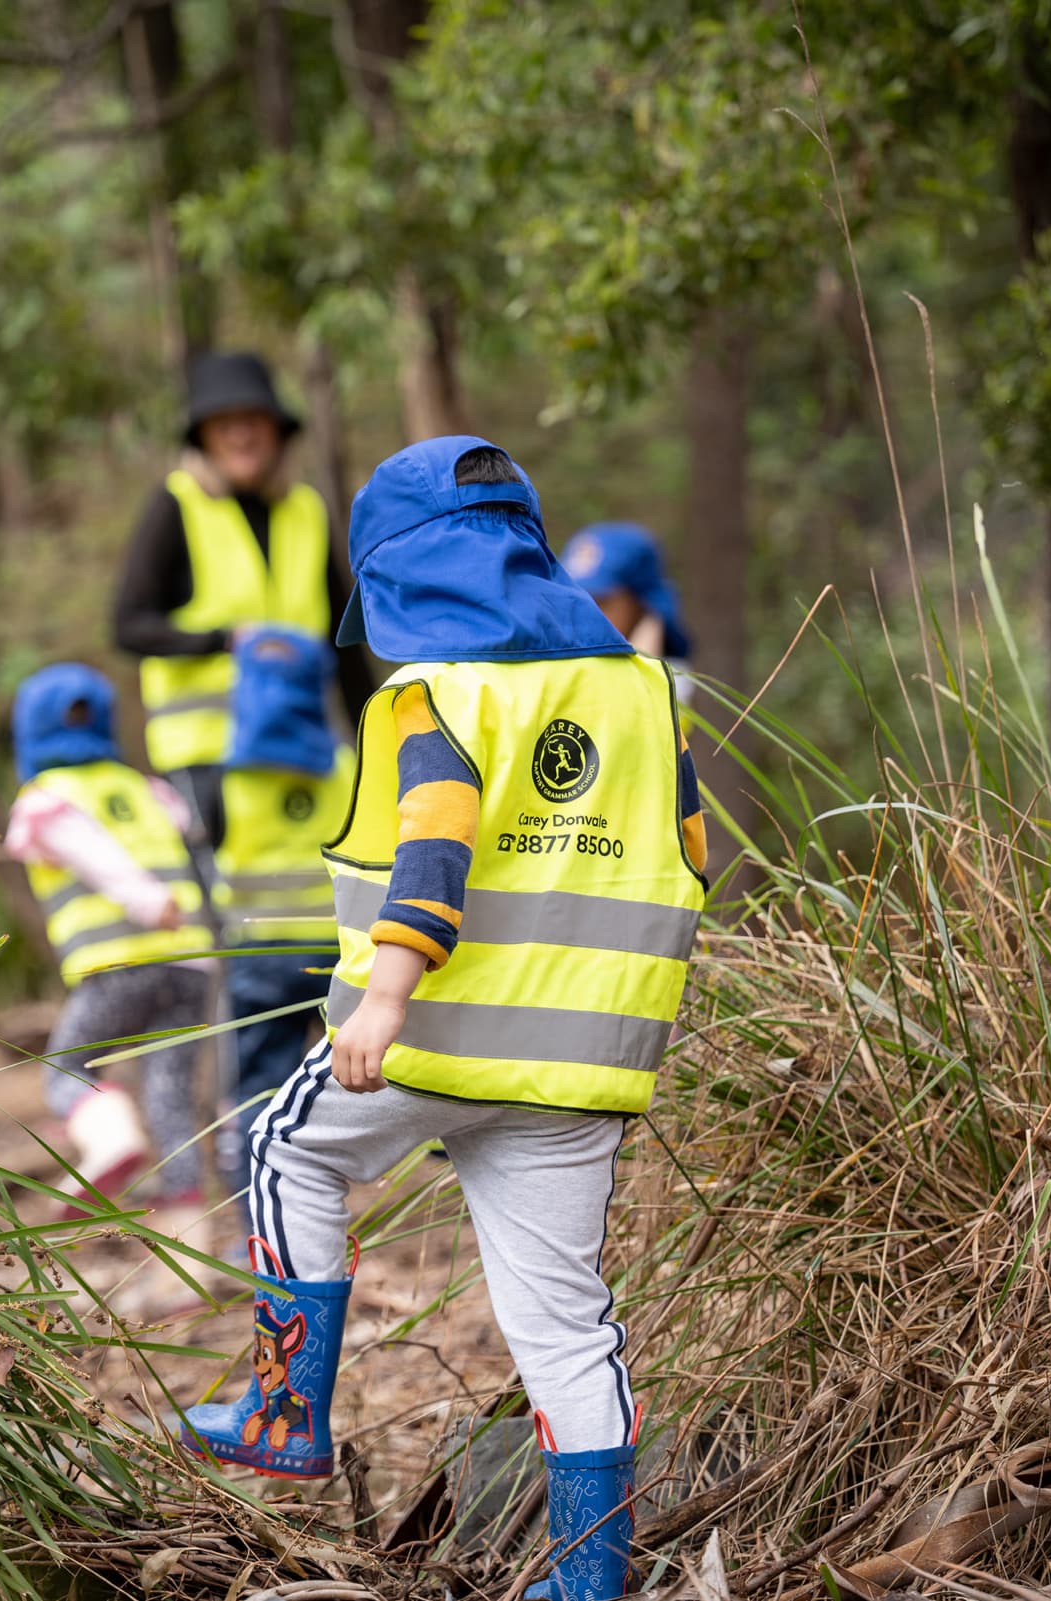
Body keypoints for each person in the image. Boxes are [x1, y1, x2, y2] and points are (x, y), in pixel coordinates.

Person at [180, 439, 709, 1601]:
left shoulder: (437, 692)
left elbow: (436, 844)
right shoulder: (641, 691)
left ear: (402, 578)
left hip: (428, 1039)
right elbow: (691, 855)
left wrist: (383, 996)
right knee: (567, 1326)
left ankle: (281, 1410)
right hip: (586, 1067)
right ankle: (586, 1583)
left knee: (284, 1150)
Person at [111, 351, 375, 845]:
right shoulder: (175, 505)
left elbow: (346, 645)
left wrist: (380, 746)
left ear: (277, 431)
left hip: (304, 752)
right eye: (224, 424)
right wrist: (223, 640)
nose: (242, 435)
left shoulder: (307, 511)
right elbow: (128, 626)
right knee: (225, 913)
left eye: (254, 420)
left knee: (307, 905)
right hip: (209, 762)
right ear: (203, 437)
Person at [5, 663, 216, 1211]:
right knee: (170, 1098)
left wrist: (147, 902)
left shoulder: (46, 798)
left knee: (65, 1068)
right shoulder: (147, 790)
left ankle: (112, 1141)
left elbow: (95, 855)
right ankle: (182, 1256)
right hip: (192, 963)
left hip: (122, 963)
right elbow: (189, 844)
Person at [209, 626, 354, 1223]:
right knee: (348, 1085)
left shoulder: (222, 777)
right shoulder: (346, 767)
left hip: (258, 955)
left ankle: (261, 1226)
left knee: (259, 1092)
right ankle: (328, 1202)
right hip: (334, 952)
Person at [562, 521, 694, 693]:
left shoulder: (674, 680)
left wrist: (645, 662)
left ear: (641, 603)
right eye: (576, 600)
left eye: (600, 601)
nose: (584, 613)